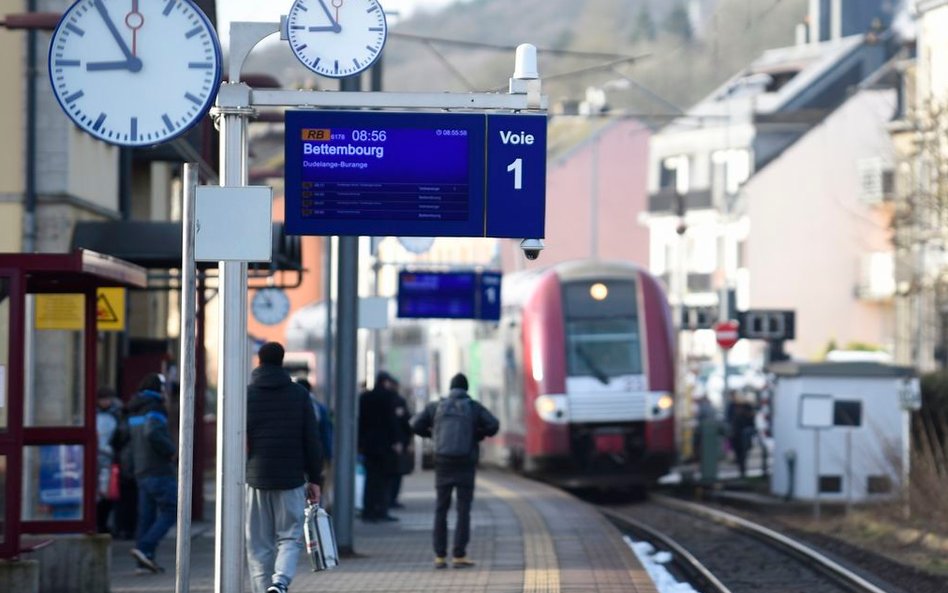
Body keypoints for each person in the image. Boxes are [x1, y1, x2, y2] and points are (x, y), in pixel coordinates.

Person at [246, 342, 324, 593]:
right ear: (282, 362)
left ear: (259, 361)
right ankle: (280, 582)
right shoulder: (299, 395)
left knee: (259, 545)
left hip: (255, 477)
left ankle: (263, 589)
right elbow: (312, 439)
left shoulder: (246, 394)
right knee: (290, 537)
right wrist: (315, 478)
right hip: (291, 477)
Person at [410, 373, 499, 569]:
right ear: (466, 389)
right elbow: (494, 424)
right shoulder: (473, 407)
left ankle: (440, 556)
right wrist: (477, 434)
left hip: (443, 462)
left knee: (441, 509)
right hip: (466, 463)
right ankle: (459, 555)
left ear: (450, 388)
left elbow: (414, 423)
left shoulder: (436, 406)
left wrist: (432, 435)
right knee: (463, 510)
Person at [127, 373, 176, 574]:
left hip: (141, 470)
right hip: (158, 469)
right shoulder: (155, 408)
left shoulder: (134, 408)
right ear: (159, 388)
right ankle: (144, 548)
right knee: (172, 510)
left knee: (146, 516)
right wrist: (170, 450)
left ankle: (144, 561)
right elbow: (153, 432)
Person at [358, 371, 402, 522]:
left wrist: (360, 443)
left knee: (370, 479)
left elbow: (361, 422)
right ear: (386, 382)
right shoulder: (388, 397)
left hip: (368, 446)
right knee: (384, 480)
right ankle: (381, 510)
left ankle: (368, 510)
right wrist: (397, 441)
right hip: (385, 446)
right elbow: (392, 421)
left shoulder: (365, 397)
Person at [95, 386, 121, 534]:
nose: (105, 402)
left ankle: (103, 523)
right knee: (97, 494)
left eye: (107, 399)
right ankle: (98, 523)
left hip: (109, 458)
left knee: (109, 493)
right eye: (102, 399)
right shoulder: (94, 414)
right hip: (96, 457)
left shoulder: (116, 414)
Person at [389, 385, 414, 510]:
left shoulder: (388, 400)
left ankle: (389, 500)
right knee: (396, 474)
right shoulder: (398, 401)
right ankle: (392, 499)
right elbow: (408, 423)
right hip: (399, 444)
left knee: (390, 475)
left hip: (388, 445)